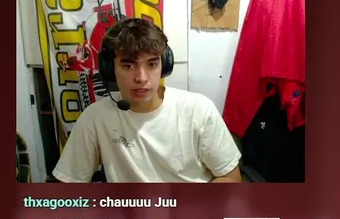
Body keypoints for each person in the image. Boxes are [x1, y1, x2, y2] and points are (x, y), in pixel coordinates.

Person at [51, 17, 242, 183]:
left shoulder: (198, 109)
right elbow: (70, 184)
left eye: (152, 64)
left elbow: (230, 178)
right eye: (128, 66)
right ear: (110, 69)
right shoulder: (95, 117)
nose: (141, 78)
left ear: (164, 66)